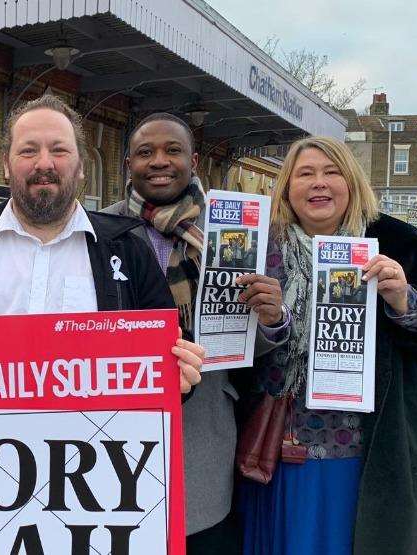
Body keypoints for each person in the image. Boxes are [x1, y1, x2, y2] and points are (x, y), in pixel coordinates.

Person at [0, 95, 205, 494]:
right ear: (7, 164)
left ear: (80, 167)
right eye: (29, 150)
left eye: (59, 150)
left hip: (96, 490)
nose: (45, 163)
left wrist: (182, 377)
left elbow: (169, 368)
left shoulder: (129, 251)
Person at [236, 136, 417, 555]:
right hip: (277, 452)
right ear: (286, 187)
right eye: (306, 174)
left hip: (371, 454)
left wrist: (407, 302)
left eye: (331, 172)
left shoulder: (394, 241)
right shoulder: (259, 247)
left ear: (351, 182)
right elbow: (226, 345)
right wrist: (272, 323)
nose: (319, 184)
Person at [102, 112, 289, 553]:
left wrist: (271, 318)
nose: (159, 161)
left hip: (203, 421)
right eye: (145, 152)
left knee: (198, 531)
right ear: (128, 163)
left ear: (195, 160)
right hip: (117, 415)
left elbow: (246, 342)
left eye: (173, 150)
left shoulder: (231, 230)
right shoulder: (98, 227)